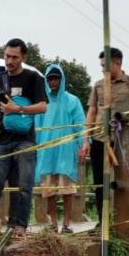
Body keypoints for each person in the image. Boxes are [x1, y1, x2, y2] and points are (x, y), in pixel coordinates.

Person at [0, 38, 46, 237]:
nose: (9, 61)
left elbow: (42, 106)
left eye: (15, 57)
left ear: (23, 57)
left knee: (24, 186)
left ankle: (19, 227)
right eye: (7, 56)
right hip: (2, 140)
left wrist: (17, 109)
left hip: (26, 139)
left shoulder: (33, 78)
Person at [81, 47, 129, 220]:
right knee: (99, 181)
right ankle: (102, 221)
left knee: (124, 180)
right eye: (101, 66)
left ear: (118, 63)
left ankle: (125, 219)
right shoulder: (98, 85)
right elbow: (92, 112)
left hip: (124, 141)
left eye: (106, 66)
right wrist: (86, 140)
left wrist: (123, 117)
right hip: (99, 138)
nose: (103, 69)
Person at [35, 63, 85, 233]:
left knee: (67, 190)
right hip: (46, 151)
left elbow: (80, 125)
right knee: (48, 190)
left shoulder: (72, 101)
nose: (53, 82)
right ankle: (53, 223)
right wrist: (35, 148)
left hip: (66, 151)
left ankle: (67, 224)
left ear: (61, 79)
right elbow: (37, 126)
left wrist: (83, 146)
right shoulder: (42, 102)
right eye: (50, 79)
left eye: (56, 78)